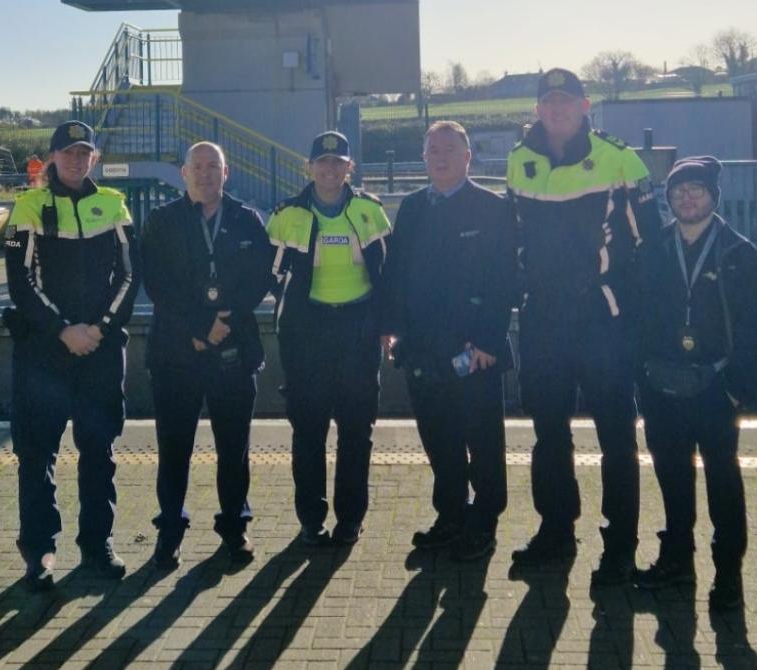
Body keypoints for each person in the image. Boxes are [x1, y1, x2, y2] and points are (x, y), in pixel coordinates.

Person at [505, 68, 663, 585]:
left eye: (566, 100)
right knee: (549, 433)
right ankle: (556, 531)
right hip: (544, 318)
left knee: (617, 437)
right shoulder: (518, 161)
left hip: (601, 317)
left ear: (585, 104)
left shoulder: (619, 159)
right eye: (548, 101)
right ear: (537, 109)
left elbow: (649, 250)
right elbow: (513, 243)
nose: (557, 109)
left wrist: (637, 327)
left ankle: (619, 546)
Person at [633, 156, 757, 611]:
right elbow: (635, 318)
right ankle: (677, 560)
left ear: (714, 197)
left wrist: (736, 388)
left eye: (696, 190)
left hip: (716, 386)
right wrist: (643, 376)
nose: (687, 198)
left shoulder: (741, 254)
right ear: (669, 199)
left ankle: (728, 575)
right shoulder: (653, 248)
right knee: (673, 478)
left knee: (722, 481)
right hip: (661, 386)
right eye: (678, 192)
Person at [4, 120, 140, 591]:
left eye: (85, 153)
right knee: (36, 454)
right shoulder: (28, 207)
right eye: (68, 152)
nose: (77, 160)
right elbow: (21, 284)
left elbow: (128, 278)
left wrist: (98, 330)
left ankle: (97, 545)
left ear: (94, 159)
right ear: (53, 157)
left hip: (99, 350)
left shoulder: (114, 206)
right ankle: (39, 551)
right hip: (44, 351)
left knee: (98, 452)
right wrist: (63, 330)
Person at [382, 121, 518, 561]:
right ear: (423, 158)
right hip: (422, 347)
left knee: (482, 441)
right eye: (432, 149)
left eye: (449, 149)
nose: (440, 156)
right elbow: (395, 274)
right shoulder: (411, 208)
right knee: (439, 439)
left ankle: (485, 522)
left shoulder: (492, 209)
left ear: (467, 157)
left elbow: (505, 281)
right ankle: (451, 517)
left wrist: (488, 340)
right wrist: (392, 327)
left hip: (473, 350)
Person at [140, 142, 275, 569]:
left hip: (233, 349)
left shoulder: (247, 220)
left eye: (213, 166)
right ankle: (170, 532)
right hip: (175, 353)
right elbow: (156, 284)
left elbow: (259, 280)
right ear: (183, 173)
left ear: (226, 172)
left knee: (233, 448)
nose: (205, 173)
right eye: (196, 166)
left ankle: (234, 527)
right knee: (174, 447)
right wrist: (199, 329)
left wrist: (223, 323)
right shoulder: (161, 222)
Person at [267, 131, 391, 547]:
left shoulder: (369, 211)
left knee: (357, 430)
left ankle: (351, 518)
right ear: (309, 167)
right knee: (308, 431)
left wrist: (386, 326)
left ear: (349, 168)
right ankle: (311, 519)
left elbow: (387, 274)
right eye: (322, 162)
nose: (330, 169)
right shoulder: (287, 214)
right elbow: (272, 274)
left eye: (338, 163)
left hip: (358, 330)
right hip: (307, 332)